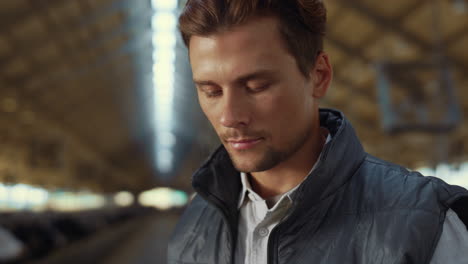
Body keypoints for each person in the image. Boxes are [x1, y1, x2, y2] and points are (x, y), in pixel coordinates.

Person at [168, 0, 468, 263]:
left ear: (319, 76)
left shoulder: (427, 223)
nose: (230, 117)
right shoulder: (194, 226)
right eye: (211, 91)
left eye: (256, 86)